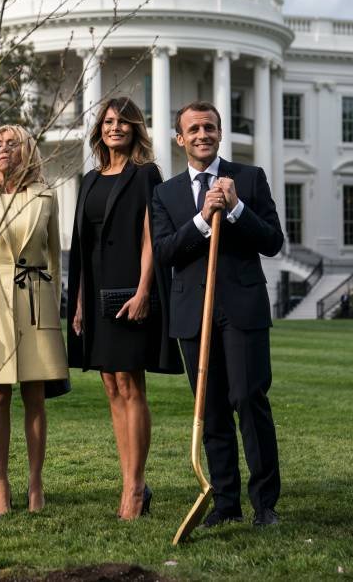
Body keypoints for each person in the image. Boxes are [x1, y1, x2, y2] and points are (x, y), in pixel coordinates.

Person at [151, 100, 285, 528]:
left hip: (242, 308)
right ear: (180, 139)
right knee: (210, 411)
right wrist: (204, 219)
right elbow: (164, 251)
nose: (202, 135)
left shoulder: (249, 178)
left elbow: (272, 242)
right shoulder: (166, 193)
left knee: (249, 400)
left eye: (209, 127)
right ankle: (226, 503)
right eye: (193, 130)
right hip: (193, 312)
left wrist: (237, 209)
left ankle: (265, 504)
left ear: (220, 132)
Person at [66, 97, 183, 520]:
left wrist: (144, 290)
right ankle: (131, 481)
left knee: (131, 386)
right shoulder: (89, 179)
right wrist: (77, 301)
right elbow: (82, 245)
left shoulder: (145, 174)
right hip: (94, 293)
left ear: (136, 128)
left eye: (123, 122)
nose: (115, 127)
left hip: (129, 290)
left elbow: (153, 235)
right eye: (108, 121)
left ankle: (135, 489)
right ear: (100, 129)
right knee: (111, 387)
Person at [0, 125, 69, 517]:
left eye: (13, 143)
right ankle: (1, 482)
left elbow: (54, 258)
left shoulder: (46, 196)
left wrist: (54, 310)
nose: (4, 149)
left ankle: (36, 481)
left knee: (35, 395)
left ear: (27, 151)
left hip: (36, 301)